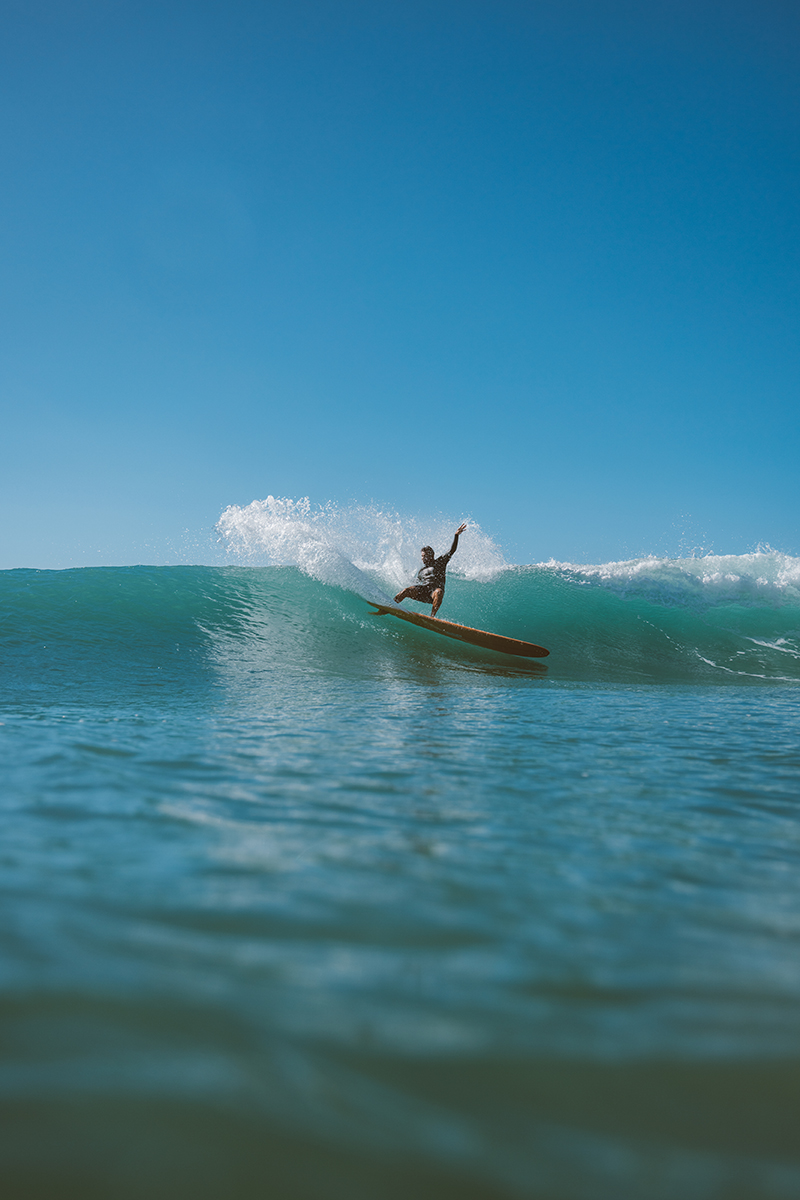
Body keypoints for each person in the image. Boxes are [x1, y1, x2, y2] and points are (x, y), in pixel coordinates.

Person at [394, 523, 467, 617]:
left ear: (431, 556)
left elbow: (452, 550)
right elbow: (416, 583)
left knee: (438, 592)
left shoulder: (440, 562)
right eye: (422, 556)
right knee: (406, 591)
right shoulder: (421, 571)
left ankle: (432, 617)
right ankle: (391, 605)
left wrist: (456, 535)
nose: (423, 558)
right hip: (423, 592)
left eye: (425, 556)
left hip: (434, 594)